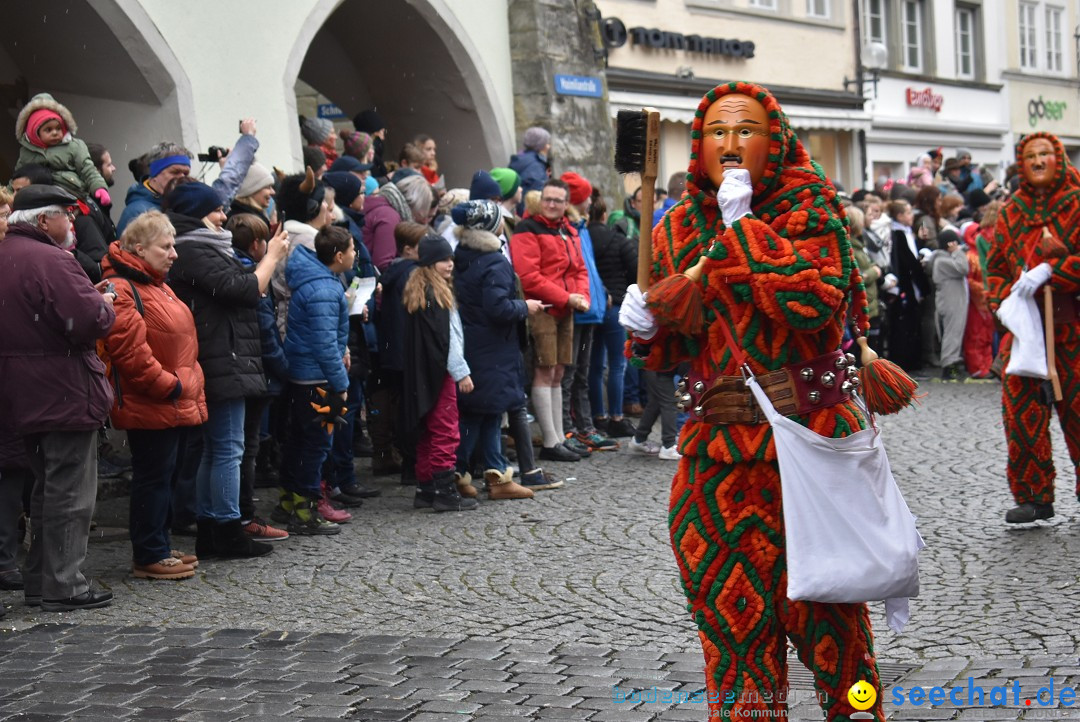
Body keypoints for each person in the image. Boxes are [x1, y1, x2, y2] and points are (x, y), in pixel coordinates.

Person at [618, 81, 885, 720]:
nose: (730, 145)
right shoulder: (680, 221)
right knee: (730, 625)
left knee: (836, 634)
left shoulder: (811, 209)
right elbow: (673, 347)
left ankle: (865, 712)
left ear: (776, 140)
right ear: (699, 144)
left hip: (809, 446)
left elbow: (812, 305)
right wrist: (647, 329)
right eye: (716, 131)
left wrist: (742, 234)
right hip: (716, 451)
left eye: (746, 131)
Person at [0, 184, 116, 611]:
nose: (72, 223)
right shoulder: (51, 259)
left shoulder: (7, 255)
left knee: (46, 489)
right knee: (69, 490)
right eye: (67, 215)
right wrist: (105, 302)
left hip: (21, 391)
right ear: (44, 220)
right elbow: (90, 320)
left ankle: (41, 581)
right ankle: (64, 585)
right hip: (63, 388)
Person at [165, 181, 287, 558]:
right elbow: (243, 289)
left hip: (225, 357)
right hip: (221, 359)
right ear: (195, 213)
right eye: (216, 210)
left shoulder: (201, 247)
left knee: (218, 450)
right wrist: (270, 259)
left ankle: (214, 528)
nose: (223, 217)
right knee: (227, 450)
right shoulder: (193, 250)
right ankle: (225, 528)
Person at [101, 211, 208, 580]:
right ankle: (149, 552)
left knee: (165, 475)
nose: (174, 253)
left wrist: (184, 382)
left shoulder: (154, 282)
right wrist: (172, 385)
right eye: (167, 246)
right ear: (140, 249)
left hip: (171, 399)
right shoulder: (123, 288)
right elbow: (130, 354)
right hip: (153, 400)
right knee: (153, 477)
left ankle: (158, 544)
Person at [985, 132, 1080, 524]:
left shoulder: (1076, 202)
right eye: (1030, 156)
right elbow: (995, 268)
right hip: (1024, 332)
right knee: (1020, 413)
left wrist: (1055, 271)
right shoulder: (1011, 211)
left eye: (1045, 154)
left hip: (1071, 330)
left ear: (1058, 159)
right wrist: (1002, 302)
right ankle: (1033, 495)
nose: (1038, 161)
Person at [451, 200, 539, 500]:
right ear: (491, 226)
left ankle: (489, 474)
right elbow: (497, 307)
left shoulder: (462, 254)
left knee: (485, 411)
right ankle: (471, 473)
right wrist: (525, 306)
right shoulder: (494, 261)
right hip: (493, 348)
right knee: (481, 413)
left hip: (474, 344)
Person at [278, 226, 354, 534]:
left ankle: (289, 500)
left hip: (304, 376)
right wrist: (341, 383)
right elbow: (323, 344)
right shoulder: (324, 289)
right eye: (351, 250)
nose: (354, 255)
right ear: (338, 256)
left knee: (299, 441)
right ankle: (305, 510)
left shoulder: (320, 281)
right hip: (319, 381)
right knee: (317, 445)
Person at [510, 179, 590, 462]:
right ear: (541, 200)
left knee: (558, 372)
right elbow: (529, 276)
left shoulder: (567, 230)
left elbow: (579, 269)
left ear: (566, 204)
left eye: (558, 200)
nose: (552, 204)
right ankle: (551, 440)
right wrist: (568, 298)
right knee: (546, 371)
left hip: (565, 308)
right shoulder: (527, 230)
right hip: (543, 308)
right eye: (548, 199)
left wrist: (581, 295)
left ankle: (557, 438)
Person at [225, 213, 291, 542]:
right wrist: (284, 368)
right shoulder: (253, 277)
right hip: (255, 373)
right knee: (244, 448)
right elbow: (265, 332)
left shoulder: (231, 269)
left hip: (245, 369)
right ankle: (242, 515)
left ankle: (234, 513)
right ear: (256, 244)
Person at [404, 235, 477, 512]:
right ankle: (445, 492)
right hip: (441, 373)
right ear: (431, 263)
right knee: (445, 431)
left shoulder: (419, 291)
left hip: (422, 374)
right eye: (444, 260)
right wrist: (461, 372)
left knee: (427, 431)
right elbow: (448, 340)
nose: (450, 264)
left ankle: (425, 488)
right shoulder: (437, 296)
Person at [117, 120, 260, 235]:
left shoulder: (187, 201)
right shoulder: (138, 213)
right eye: (174, 172)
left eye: (185, 173)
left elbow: (226, 186)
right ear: (154, 174)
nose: (181, 178)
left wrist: (247, 140)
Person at [586, 189, 637, 438]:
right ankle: (617, 416)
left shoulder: (583, 239)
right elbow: (636, 272)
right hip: (616, 306)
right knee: (617, 364)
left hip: (591, 308)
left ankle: (598, 416)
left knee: (595, 366)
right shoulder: (619, 241)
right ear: (605, 215)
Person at [15, 93, 110, 207]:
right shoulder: (26, 152)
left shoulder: (74, 146)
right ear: (35, 133)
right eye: (48, 130)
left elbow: (87, 168)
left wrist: (99, 187)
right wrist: (8, 196)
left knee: (85, 223)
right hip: (38, 200)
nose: (55, 133)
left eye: (58, 128)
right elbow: (17, 177)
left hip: (71, 197)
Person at [884, 199, 930, 371]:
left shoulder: (908, 232)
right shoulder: (896, 234)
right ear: (900, 215)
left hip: (910, 284)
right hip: (904, 285)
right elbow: (907, 261)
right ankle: (904, 361)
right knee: (903, 324)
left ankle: (912, 359)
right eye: (908, 212)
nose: (912, 216)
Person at [928, 228, 969, 380]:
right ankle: (949, 366)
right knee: (952, 333)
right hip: (951, 301)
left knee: (952, 332)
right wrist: (958, 251)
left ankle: (950, 364)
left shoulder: (940, 259)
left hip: (950, 299)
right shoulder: (943, 261)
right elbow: (964, 268)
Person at [509, 127, 551, 199]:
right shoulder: (536, 166)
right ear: (540, 145)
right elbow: (536, 195)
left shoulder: (520, 158)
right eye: (546, 143)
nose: (549, 147)